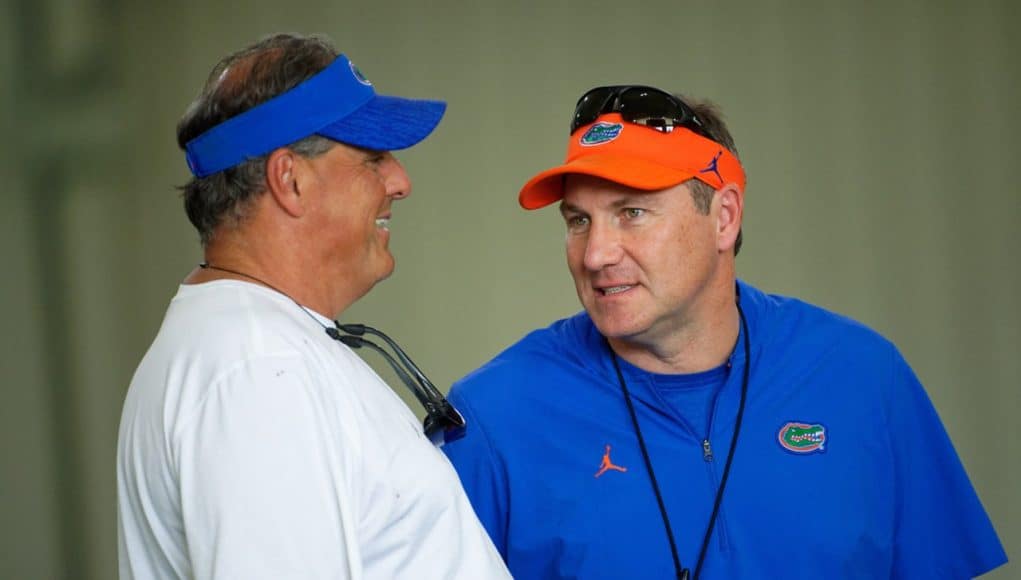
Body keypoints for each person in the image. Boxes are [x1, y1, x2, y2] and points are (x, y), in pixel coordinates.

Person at [442, 86, 1007, 579]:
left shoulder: (863, 378)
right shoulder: (492, 417)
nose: (595, 254)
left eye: (632, 212)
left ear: (724, 216)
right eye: (578, 220)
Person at [116, 33, 509, 579]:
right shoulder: (256, 371)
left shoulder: (250, 347)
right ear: (290, 180)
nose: (400, 181)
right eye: (373, 158)